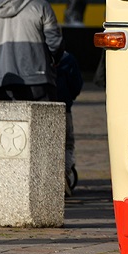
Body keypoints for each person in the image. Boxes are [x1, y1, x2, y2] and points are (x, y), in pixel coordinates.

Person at [56, 50, 84, 194]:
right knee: (67, 143)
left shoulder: (36, 54)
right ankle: (63, 176)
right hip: (63, 106)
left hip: (41, 101)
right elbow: (76, 84)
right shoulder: (67, 58)